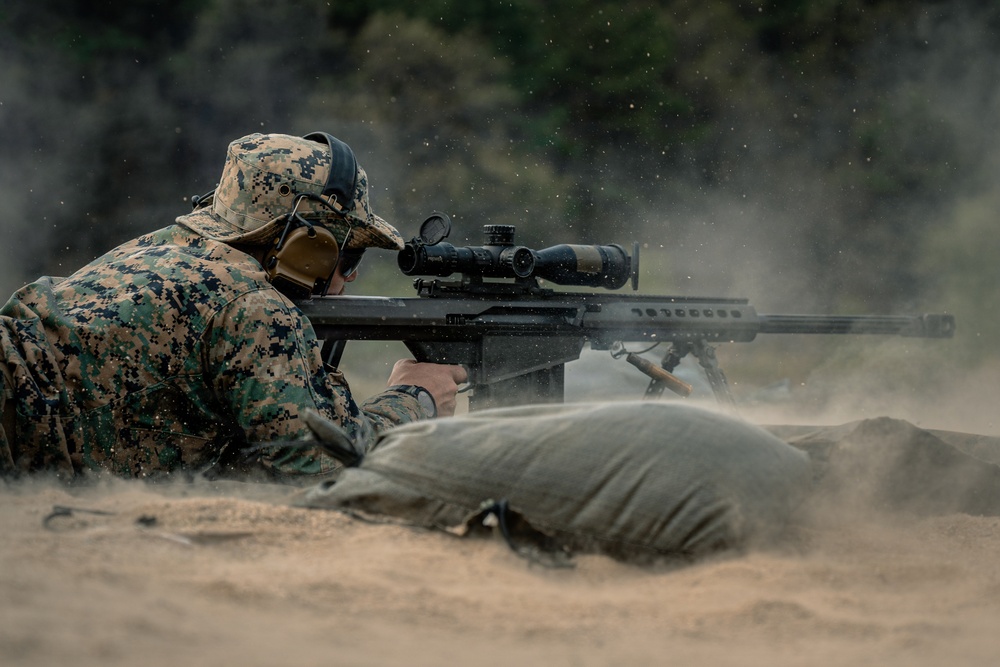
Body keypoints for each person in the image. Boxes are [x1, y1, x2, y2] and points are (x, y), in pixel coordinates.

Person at [0, 131, 466, 480]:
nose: (352, 275)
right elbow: (319, 467)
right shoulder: (254, 306)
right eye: (349, 256)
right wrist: (413, 399)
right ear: (309, 246)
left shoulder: (146, 252)